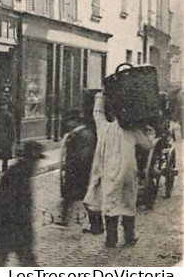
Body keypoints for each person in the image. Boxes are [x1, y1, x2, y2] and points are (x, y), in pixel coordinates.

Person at [83, 89, 156, 249]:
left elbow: (97, 114)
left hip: (110, 174)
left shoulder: (105, 129)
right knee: (129, 203)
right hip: (129, 173)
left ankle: (111, 240)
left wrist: (100, 96)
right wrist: (149, 130)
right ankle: (129, 237)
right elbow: (148, 145)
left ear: (114, 115)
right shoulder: (133, 131)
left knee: (111, 205)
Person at [0, 139, 45, 266]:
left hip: (11, 227)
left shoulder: (20, 171)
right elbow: (10, 202)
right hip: (14, 227)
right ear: (32, 159)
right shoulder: (19, 173)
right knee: (24, 260)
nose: (38, 164)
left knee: (0, 258)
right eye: (37, 160)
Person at [57, 93, 101, 232]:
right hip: (77, 169)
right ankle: (65, 218)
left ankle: (97, 225)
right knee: (76, 196)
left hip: (82, 170)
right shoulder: (79, 133)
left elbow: (85, 155)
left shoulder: (85, 134)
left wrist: (76, 166)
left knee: (88, 198)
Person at [0, 101, 16, 174]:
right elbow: (12, 128)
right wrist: (12, 138)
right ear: (6, 106)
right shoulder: (9, 115)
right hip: (6, 137)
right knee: (5, 153)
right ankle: (4, 166)